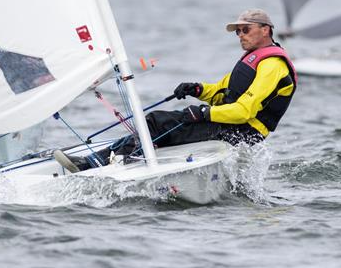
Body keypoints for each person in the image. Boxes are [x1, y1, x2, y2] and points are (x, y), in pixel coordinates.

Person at [59, 9, 297, 171]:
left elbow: (244, 111)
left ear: (265, 30)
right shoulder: (254, 59)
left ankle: (93, 166)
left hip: (240, 131)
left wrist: (204, 113)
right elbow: (221, 90)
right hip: (227, 125)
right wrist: (197, 89)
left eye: (246, 30)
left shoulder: (272, 66)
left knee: (155, 123)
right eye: (237, 31)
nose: (240, 36)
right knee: (156, 123)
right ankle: (111, 158)